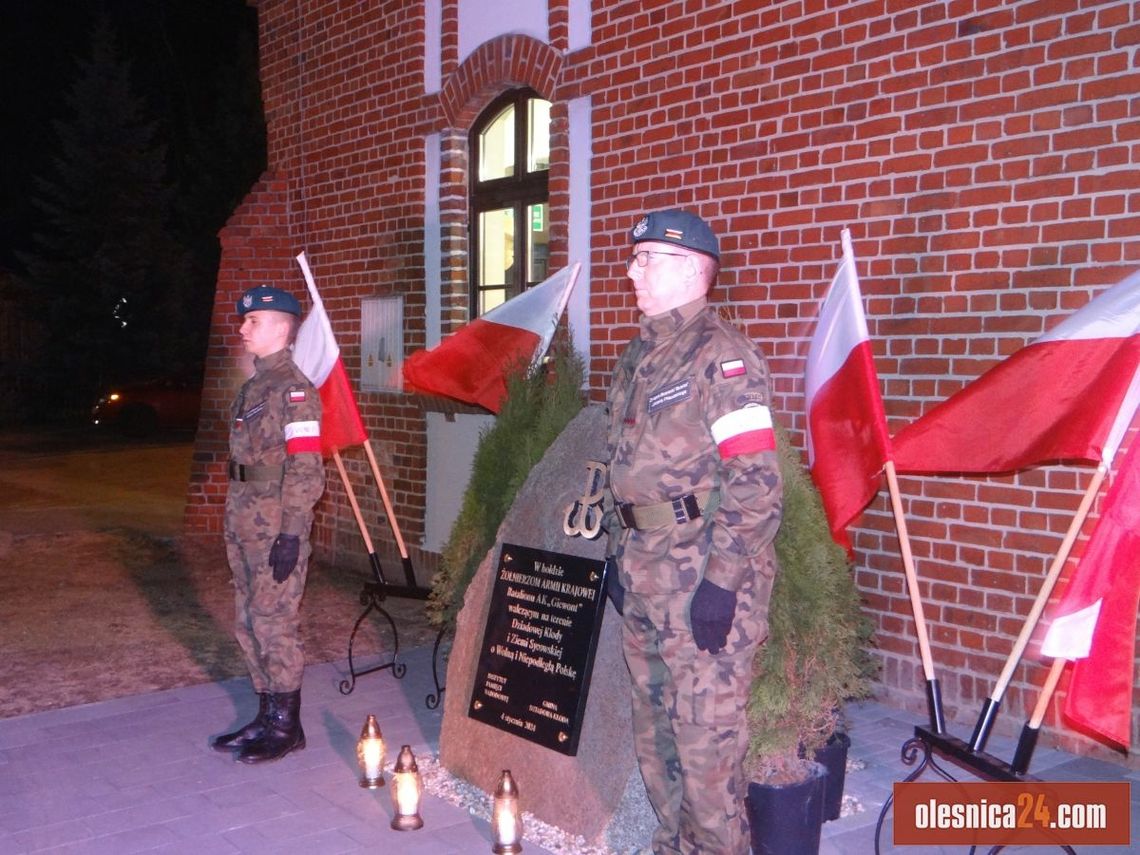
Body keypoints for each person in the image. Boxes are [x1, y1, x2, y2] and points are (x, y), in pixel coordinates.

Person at [605, 210, 782, 854]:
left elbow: (757, 484)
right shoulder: (640, 354)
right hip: (645, 567)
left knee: (706, 748)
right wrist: (615, 558)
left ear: (691, 269)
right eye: (635, 259)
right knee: (657, 735)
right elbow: (622, 466)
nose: (632, 272)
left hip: (701, 576)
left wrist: (722, 582)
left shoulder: (724, 358)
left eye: (646, 259)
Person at [211, 285, 325, 764]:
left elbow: (306, 467)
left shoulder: (295, 391)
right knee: (247, 618)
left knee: (275, 620)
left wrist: (293, 532)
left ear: (280, 326)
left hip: (276, 523)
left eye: (252, 322)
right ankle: (265, 713)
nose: (243, 329)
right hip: (244, 520)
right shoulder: (254, 385)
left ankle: (287, 726)